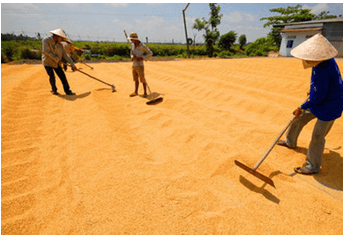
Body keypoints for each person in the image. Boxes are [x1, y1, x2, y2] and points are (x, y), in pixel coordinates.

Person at [277, 33, 343, 175]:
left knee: (318, 137)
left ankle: (312, 166)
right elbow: (318, 88)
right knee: (298, 118)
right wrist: (312, 90)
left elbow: (319, 96)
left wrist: (301, 106)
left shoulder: (323, 69)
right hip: (320, 99)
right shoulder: (322, 62)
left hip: (330, 106)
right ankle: (290, 141)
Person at [42, 29, 77, 95]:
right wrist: (57, 59)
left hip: (56, 63)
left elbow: (65, 55)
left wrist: (72, 65)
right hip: (47, 62)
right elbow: (47, 52)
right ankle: (54, 90)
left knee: (62, 76)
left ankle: (67, 90)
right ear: (57, 36)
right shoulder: (46, 40)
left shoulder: (60, 45)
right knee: (52, 76)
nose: (62, 39)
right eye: (61, 38)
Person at [127, 32, 153, 97]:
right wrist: (132, 57)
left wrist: (143, 58)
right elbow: (131, 53)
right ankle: (135, 92)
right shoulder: (132, 45)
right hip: (134, 64)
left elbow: (150, 53)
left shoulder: (142, 46)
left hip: (140, 64)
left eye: (132, 39)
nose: (131, 40)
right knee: (135, 78)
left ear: (135, 39)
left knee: (142, 79)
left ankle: (145, 92)